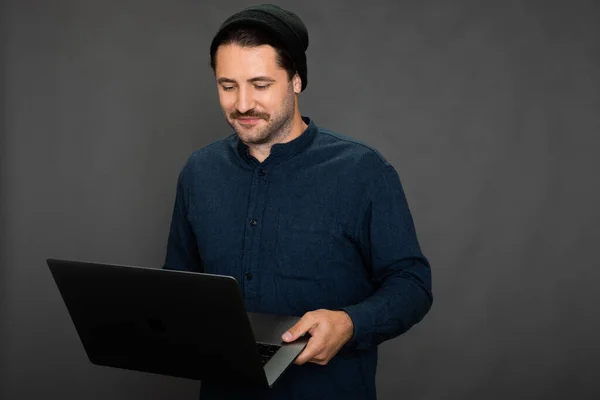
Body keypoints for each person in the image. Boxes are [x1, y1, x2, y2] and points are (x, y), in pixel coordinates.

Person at [163, 4, 433, 399]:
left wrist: (350, 323)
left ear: (296, 80)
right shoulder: (198, 172)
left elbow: (412, 285)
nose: (241, 104)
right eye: (227, 86)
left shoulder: (363, 172)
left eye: (260, 84)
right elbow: (179, 282)